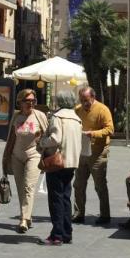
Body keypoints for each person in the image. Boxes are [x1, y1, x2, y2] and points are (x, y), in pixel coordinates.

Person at [37, 92, 82, 246]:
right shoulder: (76, 118)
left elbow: (55, 139)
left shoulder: (58, 117)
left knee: (56, 199)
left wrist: (42, 141)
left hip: (57, 162)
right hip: (71, 162)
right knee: (65, 198)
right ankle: (66, 233)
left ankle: (56, 235)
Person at [2, 89, 48, 233]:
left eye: (33, 101)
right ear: (20, 102)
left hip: (34, 155)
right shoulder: (16, 116)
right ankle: (27, 215)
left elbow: (48, 136)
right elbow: (11, 138)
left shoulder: (39, 116)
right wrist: (5, 157)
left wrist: (41, 138)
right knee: (21, 188)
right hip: (17, 156)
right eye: (27, 101)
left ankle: (24, 219)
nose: (31, 103)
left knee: (29, 186)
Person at [73, 87, 114, 225]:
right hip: (82, 151)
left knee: (100, 185)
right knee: (78, 185)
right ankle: (79, 213)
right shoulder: (77, 110)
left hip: (98, 153)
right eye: (81, 100)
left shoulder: (103, 110)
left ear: (93, 97)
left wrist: (93, 134)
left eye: (86, 100)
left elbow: (110, 129)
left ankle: (105, 215)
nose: (84, 103)